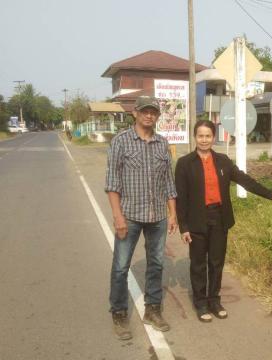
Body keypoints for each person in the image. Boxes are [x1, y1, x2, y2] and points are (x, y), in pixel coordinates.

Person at [175, 120, 272, 322]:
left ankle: (214, 300)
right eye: (200, 135)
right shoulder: (184, 164)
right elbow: (181, 198)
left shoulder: (223, 161)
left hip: (219, 218)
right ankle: (200, 303)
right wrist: (184, 226)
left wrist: (270, 194)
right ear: (195, 137)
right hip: (197, 220)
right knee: (198, 264)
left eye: (208, 136)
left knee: (216, 262)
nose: (204, 140)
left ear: (214, 137)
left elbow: (245, 180)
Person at [105, 96, 177, 340]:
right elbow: (112, 183)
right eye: (145, 111)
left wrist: (173, 213)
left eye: (153, 112)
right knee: (120, 266)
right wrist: (118, 216)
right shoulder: (121, 142)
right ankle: (119, 312)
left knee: (156, 264)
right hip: (130, 215)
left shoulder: (162, 144)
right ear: (135, 113)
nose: (149, 115)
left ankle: (153, 310)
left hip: (157, 216)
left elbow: (168, 182)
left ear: (157, 116)